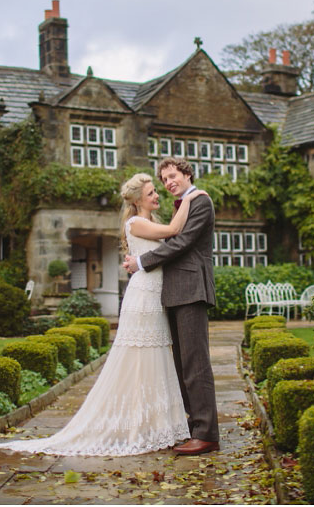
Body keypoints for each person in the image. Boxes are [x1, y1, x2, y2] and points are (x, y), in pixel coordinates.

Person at [0, 172, 206, 456]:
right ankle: (135, 427)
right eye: (152, 193)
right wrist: (191, 197)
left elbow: (166, 247)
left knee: (156, 358)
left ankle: (156, 425)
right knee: (139, 359)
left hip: (157, 295)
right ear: (138, 200)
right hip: (143, 297)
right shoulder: (136, 222)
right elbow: (173, 231)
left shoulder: (150, 221)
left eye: (156, 191)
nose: (157, 196)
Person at [123, 157, 220, 455]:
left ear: (187, 173)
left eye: (172, 175)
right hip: (175, 291)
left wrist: (141, 262)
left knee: (195, 363)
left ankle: (206, 434)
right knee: (181, 364)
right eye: (164, 179)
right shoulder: (182, 204)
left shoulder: (200, 201)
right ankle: (195, 427)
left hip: (191, 289)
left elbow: (183, 242)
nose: (168, 182)